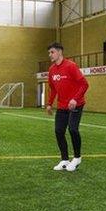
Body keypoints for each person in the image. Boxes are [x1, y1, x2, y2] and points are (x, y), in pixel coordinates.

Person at [45, 42, 89, 172]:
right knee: (59, 131)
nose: (50, 55)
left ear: (59, 52)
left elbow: (84, 84)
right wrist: (49, 103)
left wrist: (75, 99)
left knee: (73, 129)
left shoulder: (71, 66)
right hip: (62, 106)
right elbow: (52, 89)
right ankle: (64, 160)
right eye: (49, 53)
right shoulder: (51, 70)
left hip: (76, 104)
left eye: (52, 52)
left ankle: (77, 158)